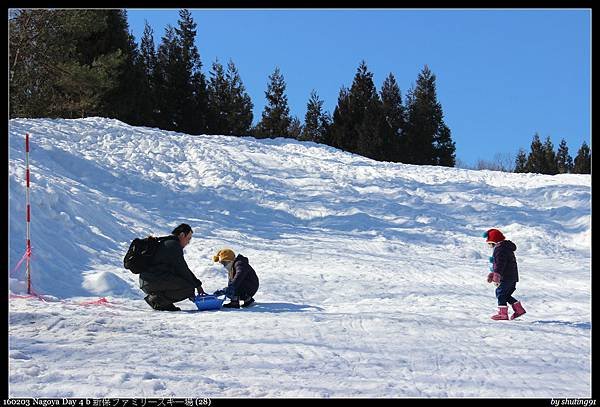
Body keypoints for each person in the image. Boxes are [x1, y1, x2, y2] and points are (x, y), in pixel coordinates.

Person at [139, 223, 205, 311]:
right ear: (182, 235)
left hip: (148, 281)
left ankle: (165, 304)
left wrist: (197, 284)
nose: (188, 242)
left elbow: (181, 268)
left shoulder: (168, 242)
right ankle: (156, 301)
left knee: (186, 284)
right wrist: (195, 286)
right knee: (188, 288)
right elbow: (182, 268)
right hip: (152, 281)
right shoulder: (173, 245)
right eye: (188, 239)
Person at [483, 228, 526, 320]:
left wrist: (496, 276)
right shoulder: (506, 247)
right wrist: (493, 273)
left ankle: (503, 314)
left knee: (500, 293)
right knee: (506, 295)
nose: (488, 245)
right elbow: (500, 264)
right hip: (512, 277)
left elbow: (499, 264)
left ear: (493, 241)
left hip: (506, 277)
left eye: (489, 243)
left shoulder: (500, 249)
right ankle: (519, 310)